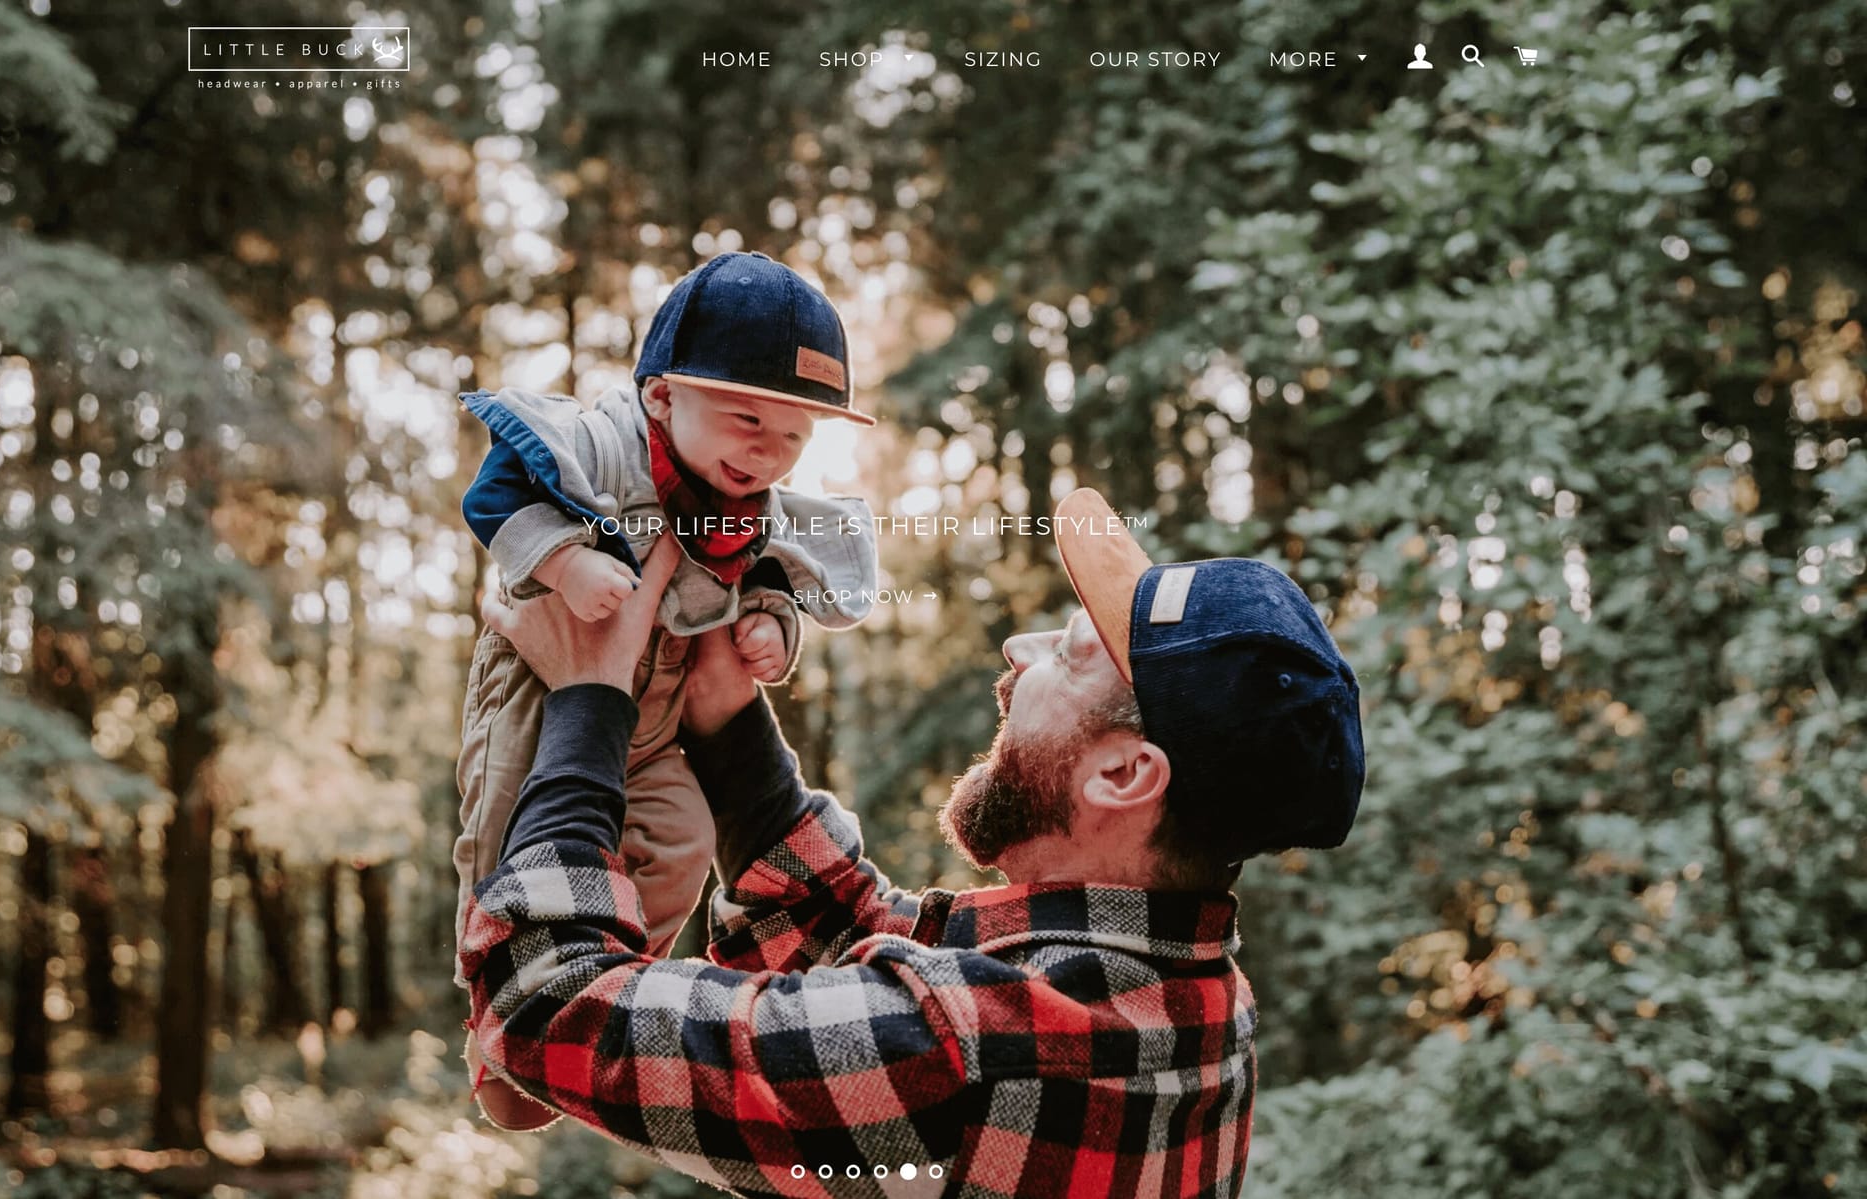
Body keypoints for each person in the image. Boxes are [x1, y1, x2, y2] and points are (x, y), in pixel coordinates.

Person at [460, 486, 1366, 1196]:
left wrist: (590, 701)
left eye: (1071, 653)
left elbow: (543, 1000)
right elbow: (864, 945)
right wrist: (729, 722)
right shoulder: (1196, 996)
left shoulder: (975, 1056)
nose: (1020, 647)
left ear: (1125, 775)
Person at [452, 251, 879, 1131]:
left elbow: (768, 578)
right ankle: (495, 998)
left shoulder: (754, 501)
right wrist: (566, 564)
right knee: (503, 825)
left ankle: (602, 983)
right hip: (542, 684)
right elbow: (493, 493)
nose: (766, 449)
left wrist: (771, 626)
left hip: (658, 717)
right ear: (660, 396)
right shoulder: (602, 445)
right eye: (745, 417)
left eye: (794, 434)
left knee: (685, 840)